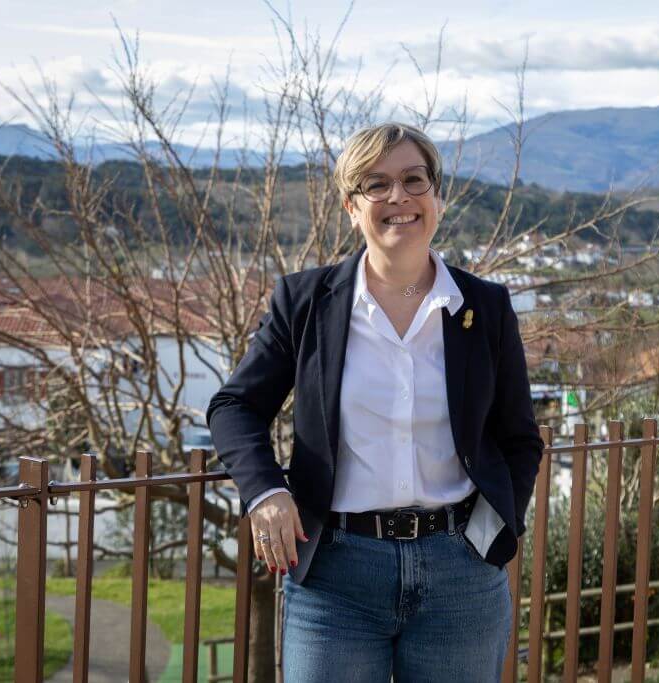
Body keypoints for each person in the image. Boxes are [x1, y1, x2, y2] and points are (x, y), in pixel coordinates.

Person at [206, 122, 543, 682]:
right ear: (350, 206)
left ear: (437, 196)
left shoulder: (484, 306)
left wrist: (492, 533)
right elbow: (234, 406)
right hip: (336, 577)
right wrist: (265, 492)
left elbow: (519, 438)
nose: (398, 198)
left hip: (460, 574)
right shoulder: (306, 302)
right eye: (376, 185)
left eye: (415, 180)